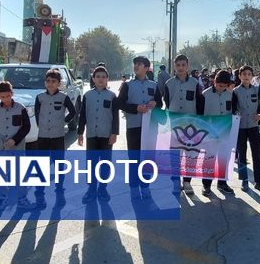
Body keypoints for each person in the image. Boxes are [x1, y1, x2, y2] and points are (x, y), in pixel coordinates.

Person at [0, 81, 34, 210]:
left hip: (17, 147)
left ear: (12, 94)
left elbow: (26, 127)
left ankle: (22, 199)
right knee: (1, 174)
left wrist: (15, 140)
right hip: (0, 147)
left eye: (8, 96)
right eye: (3, 97)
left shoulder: (20, 108)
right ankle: (3, 197)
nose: (6, 99)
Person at [118, 56, 163, 199]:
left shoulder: (154, 85)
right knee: (134, 159)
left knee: (147, 159)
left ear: (146, 67)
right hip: (133, 128)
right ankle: (133, 188)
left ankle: (145, 187)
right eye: (134, 64)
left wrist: (155, 104)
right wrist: (136, 108)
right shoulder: (127, 85)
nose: (136, 66)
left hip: (150, 128)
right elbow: (120, 104)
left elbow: (160, 104)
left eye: (139, 64)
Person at [34, 68, 77, 207]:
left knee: (59, 164)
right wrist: (41, 125)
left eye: (54, 81)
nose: (50, 84)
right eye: (48, 81)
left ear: (59, 83)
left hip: (58, 136)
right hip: (43, 137)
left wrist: (63, 122)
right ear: (45, 83)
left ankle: (60, 190)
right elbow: (36, 113)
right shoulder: (40, 97)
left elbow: (73, 111)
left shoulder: (63, 97)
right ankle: (39, 193)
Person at [77, 66, 119, 202]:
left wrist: (114, 133)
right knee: (91, 163)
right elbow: (82, 115)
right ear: (93, 79)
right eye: (98, 76)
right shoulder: (87, 95)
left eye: (103, 77)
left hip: (106, 135)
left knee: (105, 163)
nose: (100, 79)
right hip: (92, 135)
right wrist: (80, 132)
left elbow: (115, 116)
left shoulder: (112, 96)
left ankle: (103, 188)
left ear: (107, 79)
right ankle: (91, 189)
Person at [164, 54, 204, 195]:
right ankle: (175, 181)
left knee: (190, 153)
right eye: (178, 65)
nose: (180, 68)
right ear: (174, 66)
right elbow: (168, 103)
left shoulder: (195, 83)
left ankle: (187, 182)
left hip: (191, 124)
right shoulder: (168, 84)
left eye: (183, 65)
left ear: (188, 66)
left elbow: (199, 103)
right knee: (174, 154)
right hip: (174, 123)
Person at [233, 65, 260, 193]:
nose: (246, 76)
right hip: (241, 128)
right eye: (244, 74)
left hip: (254, 127)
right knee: (242, 155)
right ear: (239, 76)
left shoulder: (257, 89)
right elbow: (232, 108)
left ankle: (259, 182)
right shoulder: (235, 91)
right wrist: (236, 114)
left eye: (249, 74)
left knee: (257, 155)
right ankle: (244, 180)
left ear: (252, 76)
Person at [199, 70, 236, 196]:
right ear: (214, 82)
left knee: (224, 158)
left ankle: (222, 183)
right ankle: (206, 185)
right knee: (209, 158)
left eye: (225, 86)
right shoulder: (205, 95)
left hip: (225, 132)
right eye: (220, 85)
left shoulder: (231, 95)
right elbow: (200, 115)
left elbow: (234, 112)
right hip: (210, 133)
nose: (222, 88)